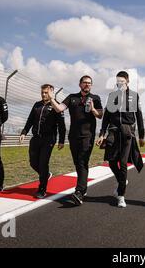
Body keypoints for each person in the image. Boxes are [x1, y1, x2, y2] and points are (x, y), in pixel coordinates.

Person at [48, 75, 103, 205]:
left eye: (89, 83)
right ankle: (83, 189)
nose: (87, 85)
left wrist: (93, 109)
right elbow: (59, 108)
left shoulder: (96, 98)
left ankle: (79, 191)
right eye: (85, 83)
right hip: (73, 136)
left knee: (83, 161)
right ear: (80, 84)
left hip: (88, 136)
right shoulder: (72, 97)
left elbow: (100, 116)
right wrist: (51, 98)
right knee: (78, 163)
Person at [96, 71, 145, 208]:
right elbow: (105, 118)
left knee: (123, 163)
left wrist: (141, 135)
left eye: (122, 81)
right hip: (113, 132)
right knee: (112, 162)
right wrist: (101, 134)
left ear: (127, 81)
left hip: (127, 132)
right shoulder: (112, 96)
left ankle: (121, 196)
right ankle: (121, 180)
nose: (120, 83)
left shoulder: (134, 96)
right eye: (118, 81)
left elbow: (139, 116)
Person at [19, 84, 66, 199]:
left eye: (46, 92)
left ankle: (42, 189)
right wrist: (24, 132)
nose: (44, 94)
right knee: (33, 162)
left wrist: (61, 140)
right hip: (36, 138)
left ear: (52, 93)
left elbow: (62, 125)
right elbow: (30, 120)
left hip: (49, 139)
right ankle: (46, 175)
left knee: (43, 163)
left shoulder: (57, 106)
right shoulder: (37, 105)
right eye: (42, 92)